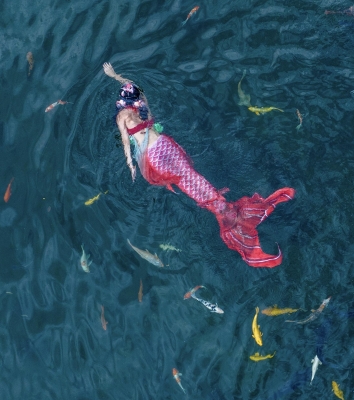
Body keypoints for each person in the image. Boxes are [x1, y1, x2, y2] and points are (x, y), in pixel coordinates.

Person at [106, 62, 294, 267]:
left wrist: (131, 165)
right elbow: (135, 85)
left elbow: (126, 141)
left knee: (184, 182)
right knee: (190, 174)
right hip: (164, 143)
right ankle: (226, 209)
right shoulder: (141, 99)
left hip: (154, 155)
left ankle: (226, 215)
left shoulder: (121, 115)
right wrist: (116, 75)